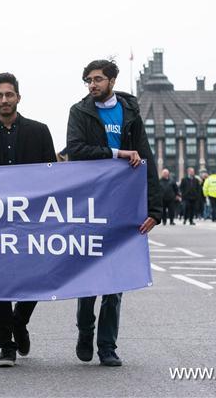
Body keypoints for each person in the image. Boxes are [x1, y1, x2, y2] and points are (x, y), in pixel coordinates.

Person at [65, 59, 161, 367]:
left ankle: (107, 346)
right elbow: (75, 149)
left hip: (123, 204)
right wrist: (117, 153)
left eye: (97, 79)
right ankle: (84, 330)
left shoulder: (130, 112)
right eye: (88, 80)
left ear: (112, 80)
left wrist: (155, 208)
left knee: (115, 278)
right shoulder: (79, 112)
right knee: (89, 274)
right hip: (90, 204)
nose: (92, 85)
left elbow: (145, 157)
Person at [0, 72, 56, 367]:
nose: (4, 100)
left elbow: (52, 176)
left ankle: (19, 322)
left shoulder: (40, 131)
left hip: (31, 219)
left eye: (9, 95)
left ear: (18, 96)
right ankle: (6, 345)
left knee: (37, 277)